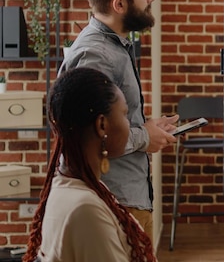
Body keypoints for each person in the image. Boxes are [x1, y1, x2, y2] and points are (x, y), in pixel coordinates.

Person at [59, 0, 178, 241]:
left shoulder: (117, 45)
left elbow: (111, 122)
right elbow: (90, 138)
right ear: (120, 5)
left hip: (126, 201)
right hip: (115, 205)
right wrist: (144, 137)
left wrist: (146, 127)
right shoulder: (96, 56)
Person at [24, 67, 157, 262]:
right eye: (124, 114)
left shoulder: (76, 186)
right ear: (102, 125)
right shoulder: (86, 210)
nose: (128, 125)